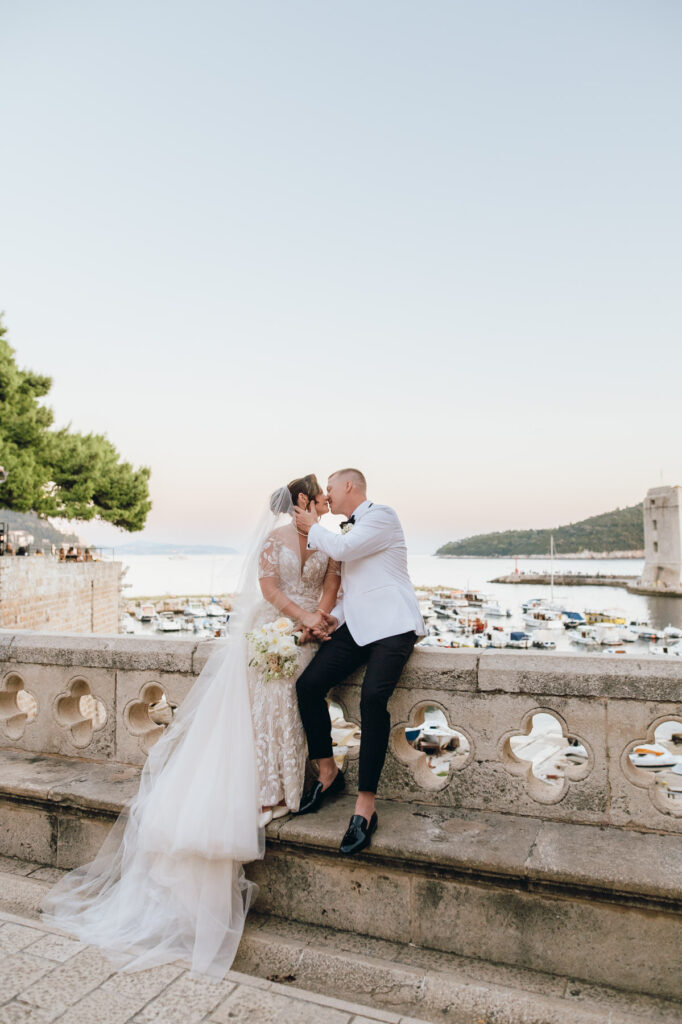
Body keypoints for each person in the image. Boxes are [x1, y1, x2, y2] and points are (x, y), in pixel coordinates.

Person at [42, 479, 338, 980]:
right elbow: (268, 590)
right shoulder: (274, 542)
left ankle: (293, 783)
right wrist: (299, 619)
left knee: (299, 693)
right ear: (304, 502)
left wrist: (319, 618)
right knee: (270, 694)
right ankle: (269, 787)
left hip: (311, 634)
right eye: (322, 497)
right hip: (276, 631)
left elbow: (331, 584)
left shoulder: (328, 542)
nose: (328, 504)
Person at [293, 468, 425, 856]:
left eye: (330, 488)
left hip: (393, 627)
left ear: (349, 486)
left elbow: (344, 551)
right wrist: (330, 618)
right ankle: (328, 770)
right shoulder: (347, 529)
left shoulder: (382, 516)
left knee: (371, 700)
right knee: (308, 685)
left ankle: (365, 805)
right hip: (357, 627)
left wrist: (311, 524)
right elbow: (354, 586)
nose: (327, 495)